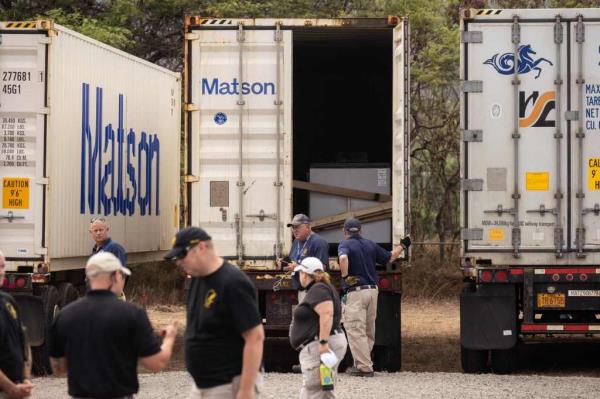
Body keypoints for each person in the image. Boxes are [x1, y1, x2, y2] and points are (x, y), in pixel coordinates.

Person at [49, 252, 178, 399]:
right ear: (115, 276)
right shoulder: (132, 314)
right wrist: (170, 337)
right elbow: (156, 363)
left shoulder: (64, 315)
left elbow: (59, 368)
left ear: (88, 278)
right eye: (123, 276)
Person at [165, 226, 264, 399]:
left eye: (182, 255)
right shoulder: (198, 278)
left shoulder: (233, 282)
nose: (178, 262)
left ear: (201, 248)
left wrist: (246, 390)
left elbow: (255, 337)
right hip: (203, 385)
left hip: (229, 384)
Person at [338, 218, 407, 377]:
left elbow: (343, 259)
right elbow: (390, 257)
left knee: (355, 329)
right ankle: (361, 363)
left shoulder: (345, 245)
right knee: (369, 330)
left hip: (356, 292)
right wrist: (403, 245)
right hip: (373, 291)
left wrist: (346, 275)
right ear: (361, 231)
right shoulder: (370, 244)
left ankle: (364, 368)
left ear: (345, 232)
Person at [289, 257, 347, 399]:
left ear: (305, 273)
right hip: (326, 343)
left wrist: (323, 344)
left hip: (319, 346)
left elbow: (326, 313)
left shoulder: (318, 288)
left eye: (300, 272)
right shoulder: (322, 287)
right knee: (325, 390)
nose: (299, 276)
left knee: (312, 391)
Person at [0, 250, 33, 399]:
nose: (1, 272)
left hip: (15, 388)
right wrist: (10, 388)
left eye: (2, 266)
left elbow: (24, 340)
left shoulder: (8, 301)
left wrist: (26, 379)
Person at [277, 214, 329, 302]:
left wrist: (297, 267)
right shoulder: (296, 242)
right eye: (293, 227)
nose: (294, 230)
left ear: (308, 227)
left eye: (297, 227)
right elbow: (293, 262)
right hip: (301, 290)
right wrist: (283, 265)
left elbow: (321, 270)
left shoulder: (318, 242)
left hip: (314, 291)